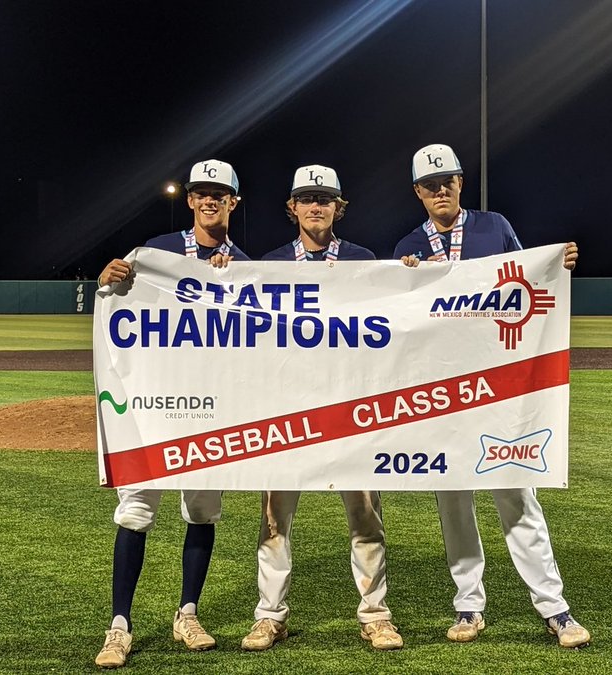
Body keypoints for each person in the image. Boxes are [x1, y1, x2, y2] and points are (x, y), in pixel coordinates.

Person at [393, 144, 590, 649]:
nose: (441, 190)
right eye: (430, 185)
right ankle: (468, 606)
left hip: (499, 388)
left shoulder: (493, 226)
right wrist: (405, 279)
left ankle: (555, 608)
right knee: (453, 501)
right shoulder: (405, 247)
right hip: (440, 392)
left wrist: (558, 262)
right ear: (417, 192)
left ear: (461, 183)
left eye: (449, 181)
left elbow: (530, 278)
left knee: (518, 494)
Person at [93, 159, 250, 668]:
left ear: (233, 202)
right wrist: (108, 279)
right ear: (189, 200)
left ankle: (187, 613)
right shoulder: (154, 253)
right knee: (136, 511)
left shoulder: (247, 266)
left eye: (219, 193)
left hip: (210, 408)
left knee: (201, 512)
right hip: (154, 406)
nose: (209, 200)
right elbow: (116, 301)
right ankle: (120, 626)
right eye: (201, 192)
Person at [242, 165, 403, 652]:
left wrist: (415, 278)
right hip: (287, 410)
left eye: (325, 198)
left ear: (339, 206)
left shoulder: (363, 259)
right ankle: (270, 616)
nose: (316, 206)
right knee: (273, 523)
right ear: (292, 207)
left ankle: (375, 615)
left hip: (350, 410)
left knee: (366, 518)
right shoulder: (267, 263)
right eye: (307, 198)